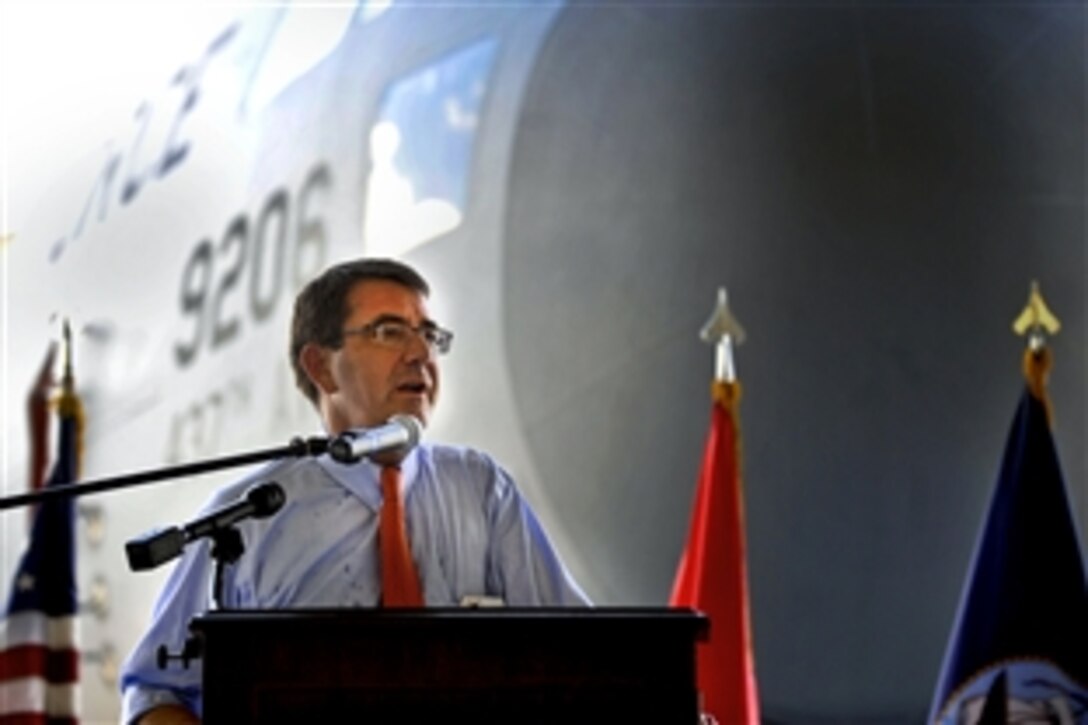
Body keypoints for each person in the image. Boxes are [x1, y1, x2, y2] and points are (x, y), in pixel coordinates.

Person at [119, 258, 590, 724]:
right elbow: (153, 693)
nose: (420, 355)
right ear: (321, 367)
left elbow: (589, 657)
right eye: (389, 331)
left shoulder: (483, 489)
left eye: (428, 334)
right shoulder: (250, 514)